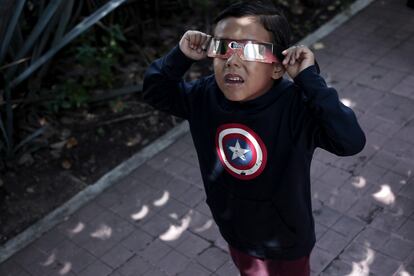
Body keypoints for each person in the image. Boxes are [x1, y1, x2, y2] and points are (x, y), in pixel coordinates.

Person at [143, 1, 365, 275]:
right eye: (223, 48)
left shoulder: (296, 107)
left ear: (277, 67)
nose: (232, 60)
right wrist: (180, 56)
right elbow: (155, 92)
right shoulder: (203, 96)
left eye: (249, 50)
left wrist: (310, 80)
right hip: (235, 228)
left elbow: (351, 141)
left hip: (285, 238)